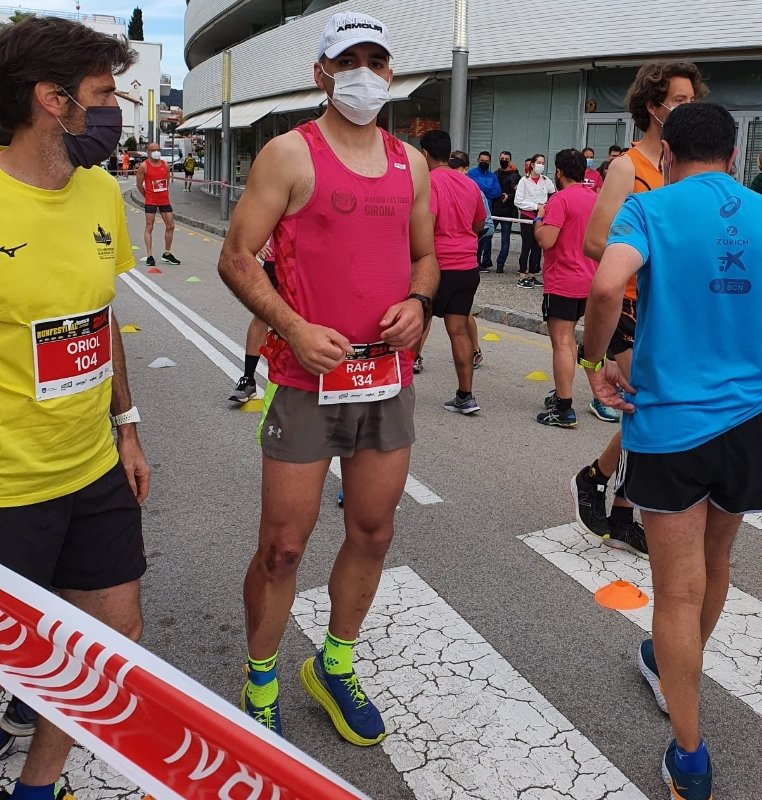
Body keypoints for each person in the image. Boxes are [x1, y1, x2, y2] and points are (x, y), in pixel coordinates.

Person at [217, 10, 438, 743]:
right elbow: (237, 257)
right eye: (349, 62)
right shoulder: (288, 154)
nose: (364, 75)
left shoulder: (411, 163)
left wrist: (419, 303)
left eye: (377, 62)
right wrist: (294, 328)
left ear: (391, 74)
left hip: (386, 379)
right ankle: (260, 681)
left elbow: (425, 258)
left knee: (372, 531)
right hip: (306, 381)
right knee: (282, 547)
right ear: (321, 74)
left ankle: (334, 665)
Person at [580, 101, 762, 800]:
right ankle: (672, 668)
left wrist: (595, 361)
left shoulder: (650, 209)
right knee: (717, 564)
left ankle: (692, 757)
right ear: (733, 156)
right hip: (752, 425)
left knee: (676, 589)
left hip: (670, 426)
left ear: (667, 154)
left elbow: (606, 284)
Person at [0, 16, 150, 798]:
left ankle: (38, 785)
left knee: (107, 639)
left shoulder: (99, 191)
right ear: (51, 100)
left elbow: (101, 317)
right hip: (7, 489)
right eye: (103, 94)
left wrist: (127, 427)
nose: (114, 110)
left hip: (91, 469)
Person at [572, 60, 707, 557]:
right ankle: (605, 489)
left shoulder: (692, 168)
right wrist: (645, 256)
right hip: (629, 306)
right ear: (653, 106)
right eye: (680, 101)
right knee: (646, 405)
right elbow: (594, 242)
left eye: (693, 101)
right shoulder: (628, 167)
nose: (688, 109)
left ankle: (608, 490)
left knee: (650, 407)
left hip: (671, 308)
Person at [533, 149, 611, 427]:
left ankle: (564, 408)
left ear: (559, 171)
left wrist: (538, 219)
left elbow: (546, 240)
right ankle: (569, 393)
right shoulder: (596, 199)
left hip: (563, 280)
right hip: (590, 280)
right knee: (578, 342)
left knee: (563, 343)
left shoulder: (560, 199)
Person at [418, 131, 486, 414]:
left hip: (437, 266)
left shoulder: (430, 182)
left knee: (416, 324)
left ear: (425, 154)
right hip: (467, 266)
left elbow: (426, 224)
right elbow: (480, 223)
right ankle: (465, 396)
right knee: (458, 331)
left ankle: (397, 390)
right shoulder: (470, 184)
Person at [230, 243, 276, 402]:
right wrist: (258, 244)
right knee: (261, 315)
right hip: (277, 260)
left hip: (311, 262)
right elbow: (248, 229)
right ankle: (248, 379)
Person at [136, 141, 180, 267]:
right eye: (153, 150)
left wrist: (163, 193)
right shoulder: (144, 166)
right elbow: (139, 184)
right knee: (149, 226)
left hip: (164, 200)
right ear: (148, 152)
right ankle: (150, 256)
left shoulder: (165, 165)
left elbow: (166, 181)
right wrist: (147, 196)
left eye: (158, 150)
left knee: (171, 226)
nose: (156, 152)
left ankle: (167, 253)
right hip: (151, 201)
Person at [514, 153, 555, 287]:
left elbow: (553, 193)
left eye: (543, 163)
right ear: (532, 164)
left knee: (537, 246)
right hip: (528, 215)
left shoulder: (545, 180)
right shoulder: (524, 181)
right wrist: (535, 206)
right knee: (527, 245)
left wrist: (547, 205)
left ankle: (532, 274)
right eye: (539, 163)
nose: (541, 165)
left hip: (541, 216)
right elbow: (518, 201)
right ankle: (522, 274)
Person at [467, 150, 501, 271]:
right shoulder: (471, 173)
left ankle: (482, 262)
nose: (484, 162)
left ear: (490, 162)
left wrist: (482, 189)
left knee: (486, 239)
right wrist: (487, 189)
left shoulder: (493, 176)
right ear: (478, 160)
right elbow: (473, 188)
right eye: (482, 160)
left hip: (488, 212)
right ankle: (473, 262)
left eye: (487, 161)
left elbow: (497, 192)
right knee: (474, 239)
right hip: (474, 212)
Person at [491, 150, 521, 273]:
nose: (503, 161)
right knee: (487, 236)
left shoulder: (515, 175)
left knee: (505, 239)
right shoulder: (496, 173)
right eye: (502, 158)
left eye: (506, 159)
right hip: (494, 209)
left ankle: (500, 264)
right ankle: (484, 261)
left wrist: (508, 196)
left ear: (510, 160)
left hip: (507, 211)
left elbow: (518, 192)